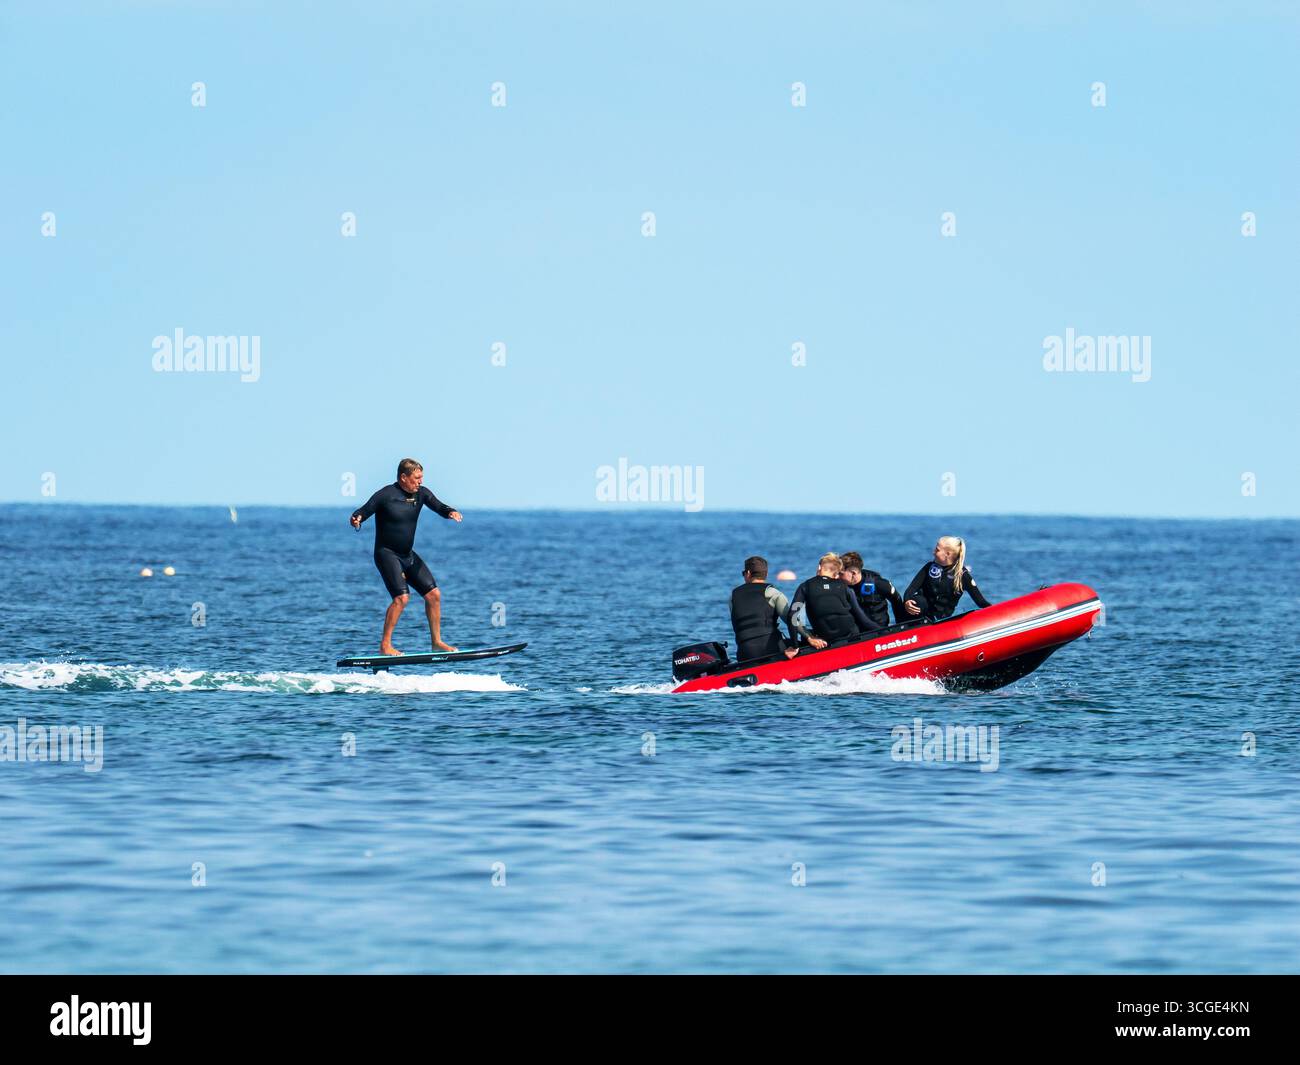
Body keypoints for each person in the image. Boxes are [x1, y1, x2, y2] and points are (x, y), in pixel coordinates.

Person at [350, 458, 463, 654]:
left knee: (434, 595)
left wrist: (450, 512)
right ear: (404, 477)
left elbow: (438, 506)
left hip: (407, 555)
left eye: (421, 478)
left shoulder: (421, 494)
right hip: (387, 554)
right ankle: (385, 645)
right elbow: (364, 510)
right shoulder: (385, 495)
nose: (420, 482)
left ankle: (436, 642)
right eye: (416, 478)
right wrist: (357, 518)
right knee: (401, 598)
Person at [730, 556, 819, 662]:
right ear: (766, 574)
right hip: (771, 649)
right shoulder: (772, 593)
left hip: (744, 653)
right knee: (804, 641)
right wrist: (809, 637)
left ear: (748, 573)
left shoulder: (733, 596)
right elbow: (791, 619)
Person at [791, 553, 880, 643]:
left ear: (819, 567)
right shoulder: (845, 587)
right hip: (851, 637)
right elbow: (863, 619)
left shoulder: (805, 586)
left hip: (825, 640)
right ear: (836, 574)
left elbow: (792, 616)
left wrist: (794, 646)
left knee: (805, 637)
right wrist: (885, 631)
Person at [902, 536, 992, 621]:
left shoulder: (962, 575)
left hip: (942, 622)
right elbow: (911, 589)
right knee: (917, 601)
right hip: (921, 617)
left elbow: (981, 602)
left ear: (947, 554)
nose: (933, 552)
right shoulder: (929, 567)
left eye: (937, 550)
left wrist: (999, 612)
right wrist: (907, 601)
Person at [838, 551, 905, 628]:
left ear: (853, 573)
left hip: (880, 631)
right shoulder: (840, 586)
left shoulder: (878, 584)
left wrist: (901, 625)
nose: (837, 577)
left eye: (841, 574)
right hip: (856, 633)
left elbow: (897, 600)